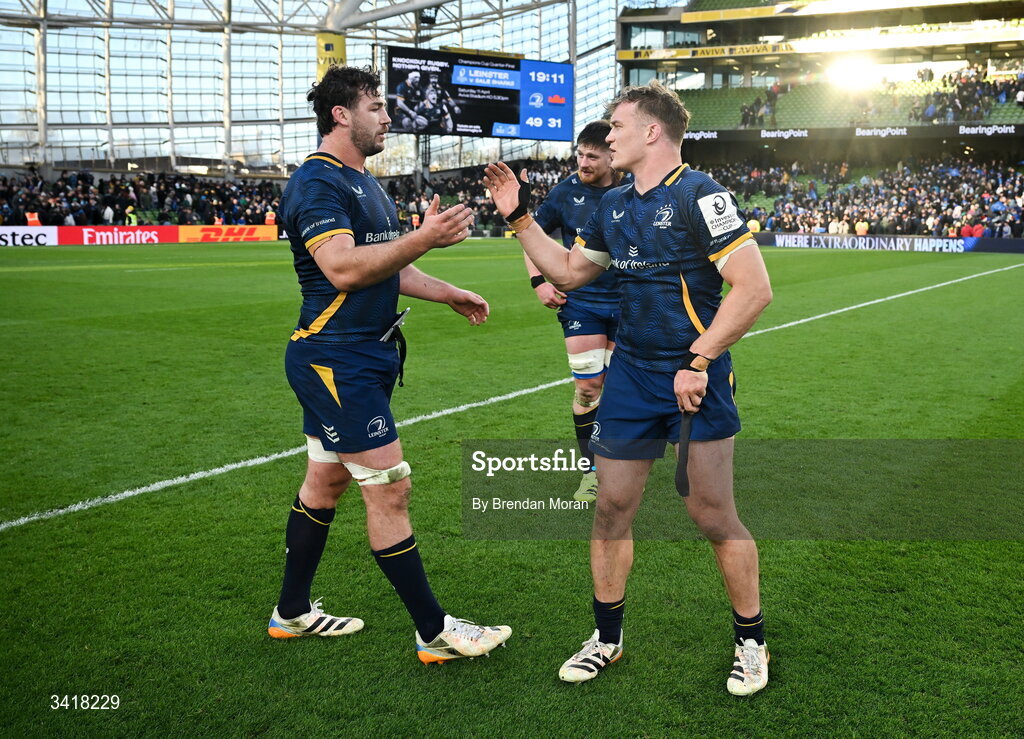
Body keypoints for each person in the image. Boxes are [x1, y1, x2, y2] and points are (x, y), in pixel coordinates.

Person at [484, 79, 773, 695]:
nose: (606, 136)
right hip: (633, 376)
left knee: (712, 512)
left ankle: (751, 638)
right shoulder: (610, 206)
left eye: (616, 125)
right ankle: (606, 638)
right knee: (612, 507)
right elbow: (568, 270)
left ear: (651, 132)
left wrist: (698, 360)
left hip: (693, 375)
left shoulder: (702, 195)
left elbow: (753, 290)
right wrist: (519, 216)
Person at [271, 65, 511, 664]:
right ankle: (435, 633)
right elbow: (346, 268)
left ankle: (291, 613)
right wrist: (425, 237)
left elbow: (390, 267)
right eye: (376, 107)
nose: (387, 117)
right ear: (341, 115)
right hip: (335, 361)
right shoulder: (317, 184)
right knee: (389, 488)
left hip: (363, 357)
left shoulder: (366, 184)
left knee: (325, 482)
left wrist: (447, 290)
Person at [524, 121, 623, 503]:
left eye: (592, 156)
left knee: (617, 391)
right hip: (581, 303)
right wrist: (539, 281)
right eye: (579, 154)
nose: (583, 162)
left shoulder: (633, 188)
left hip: (629, 304)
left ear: (612, 156)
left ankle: (619, 465)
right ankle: (591, 471)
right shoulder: (565, 191)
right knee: (587, 387)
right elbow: (530, 233)